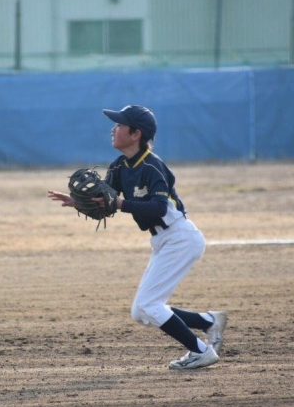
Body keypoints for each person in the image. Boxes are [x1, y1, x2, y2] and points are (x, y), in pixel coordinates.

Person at [48, 104, 227, 370]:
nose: (113, 129)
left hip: (181, 239)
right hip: (162, 240)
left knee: (149, 305)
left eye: (120, 125)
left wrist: (120, 204)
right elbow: (107, 203)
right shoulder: (119, 166)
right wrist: (80, 202)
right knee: (140, 311)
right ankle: (208, 321)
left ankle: (201, 350)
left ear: (136, 134)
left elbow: (157, 208)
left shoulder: (153, 167)